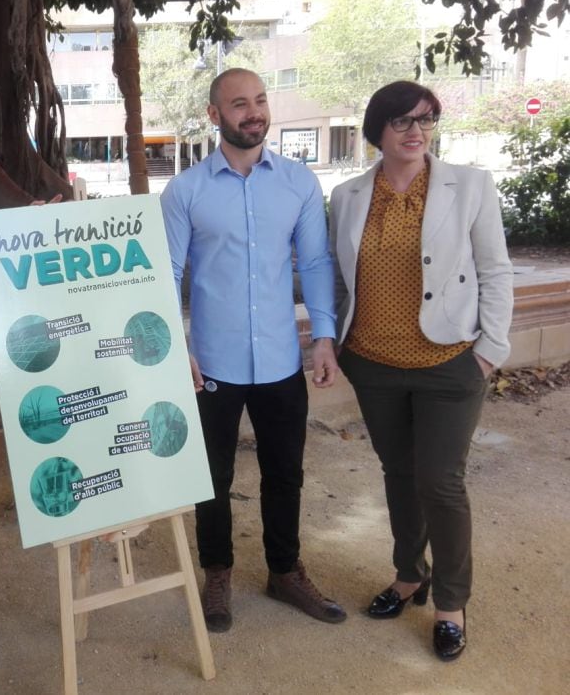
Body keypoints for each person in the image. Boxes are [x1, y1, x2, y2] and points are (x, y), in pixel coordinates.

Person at [329, 81, 513, 661]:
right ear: (377, 128)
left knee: (440, 480)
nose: (416, 132)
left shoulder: (470, 185)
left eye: (427, 121)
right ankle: (410, 575)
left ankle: (451, 602)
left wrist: (489, 350)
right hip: (374, 363)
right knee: (398, 473)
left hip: (448, 362)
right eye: (403, 121)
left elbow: (496, 270)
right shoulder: (350, 194)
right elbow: (339, 277)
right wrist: (333, 341)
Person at [160, 67, 346, 632]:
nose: (253, 112)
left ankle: (284, 571)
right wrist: (175, 348)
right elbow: (166, 275)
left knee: (284, 470)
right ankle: (217, 572)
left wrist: (323, 336)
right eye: (239, 104)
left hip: (281, 361)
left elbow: (314, 263)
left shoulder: (297, 183)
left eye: (260, 100)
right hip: (211, 364)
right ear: (215, 116)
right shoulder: (184, 191)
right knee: (211, 476)